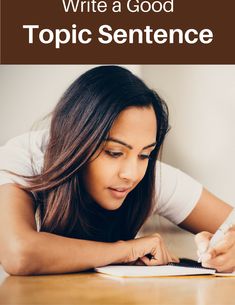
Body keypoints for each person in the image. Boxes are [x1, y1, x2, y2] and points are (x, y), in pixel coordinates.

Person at [0, 66, 233, 276]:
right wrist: (125, 251)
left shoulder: (150, 177)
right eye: (113, 152)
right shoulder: (27, 157)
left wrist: (227, 249)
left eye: (145, 154)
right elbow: (18, 253)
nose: (131, 174)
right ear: (77, 140)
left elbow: (229, 224)